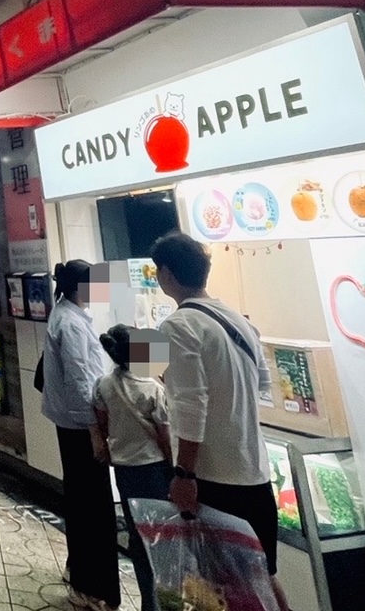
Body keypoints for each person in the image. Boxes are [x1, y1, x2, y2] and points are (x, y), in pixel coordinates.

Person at [151, 232, 289, 611]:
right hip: (254, 472)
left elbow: (190, 405)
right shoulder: (237, 319)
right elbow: (262, 383)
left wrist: (185, 475)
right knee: (262, 578)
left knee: (219, 586)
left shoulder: (177, 327)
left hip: (213, 478)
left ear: (165, 275)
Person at [41, 259, 118, 611]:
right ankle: (88, 586)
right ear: (78, 288)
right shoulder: (70, 323)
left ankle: (80, 572)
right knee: (93, 506)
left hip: (71, 423)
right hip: (79, 427)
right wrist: (95, 430)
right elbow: (80, 378)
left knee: (82, 500)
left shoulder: (65, 314)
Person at [93, 325, 173, 611]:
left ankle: (147, 603)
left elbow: (102, 423)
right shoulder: (152, 389)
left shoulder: (103, 384)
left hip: (125, 471)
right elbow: (164, 436)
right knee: (163, 540)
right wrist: (175, 469)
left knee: (139, 540)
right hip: (154, 471)